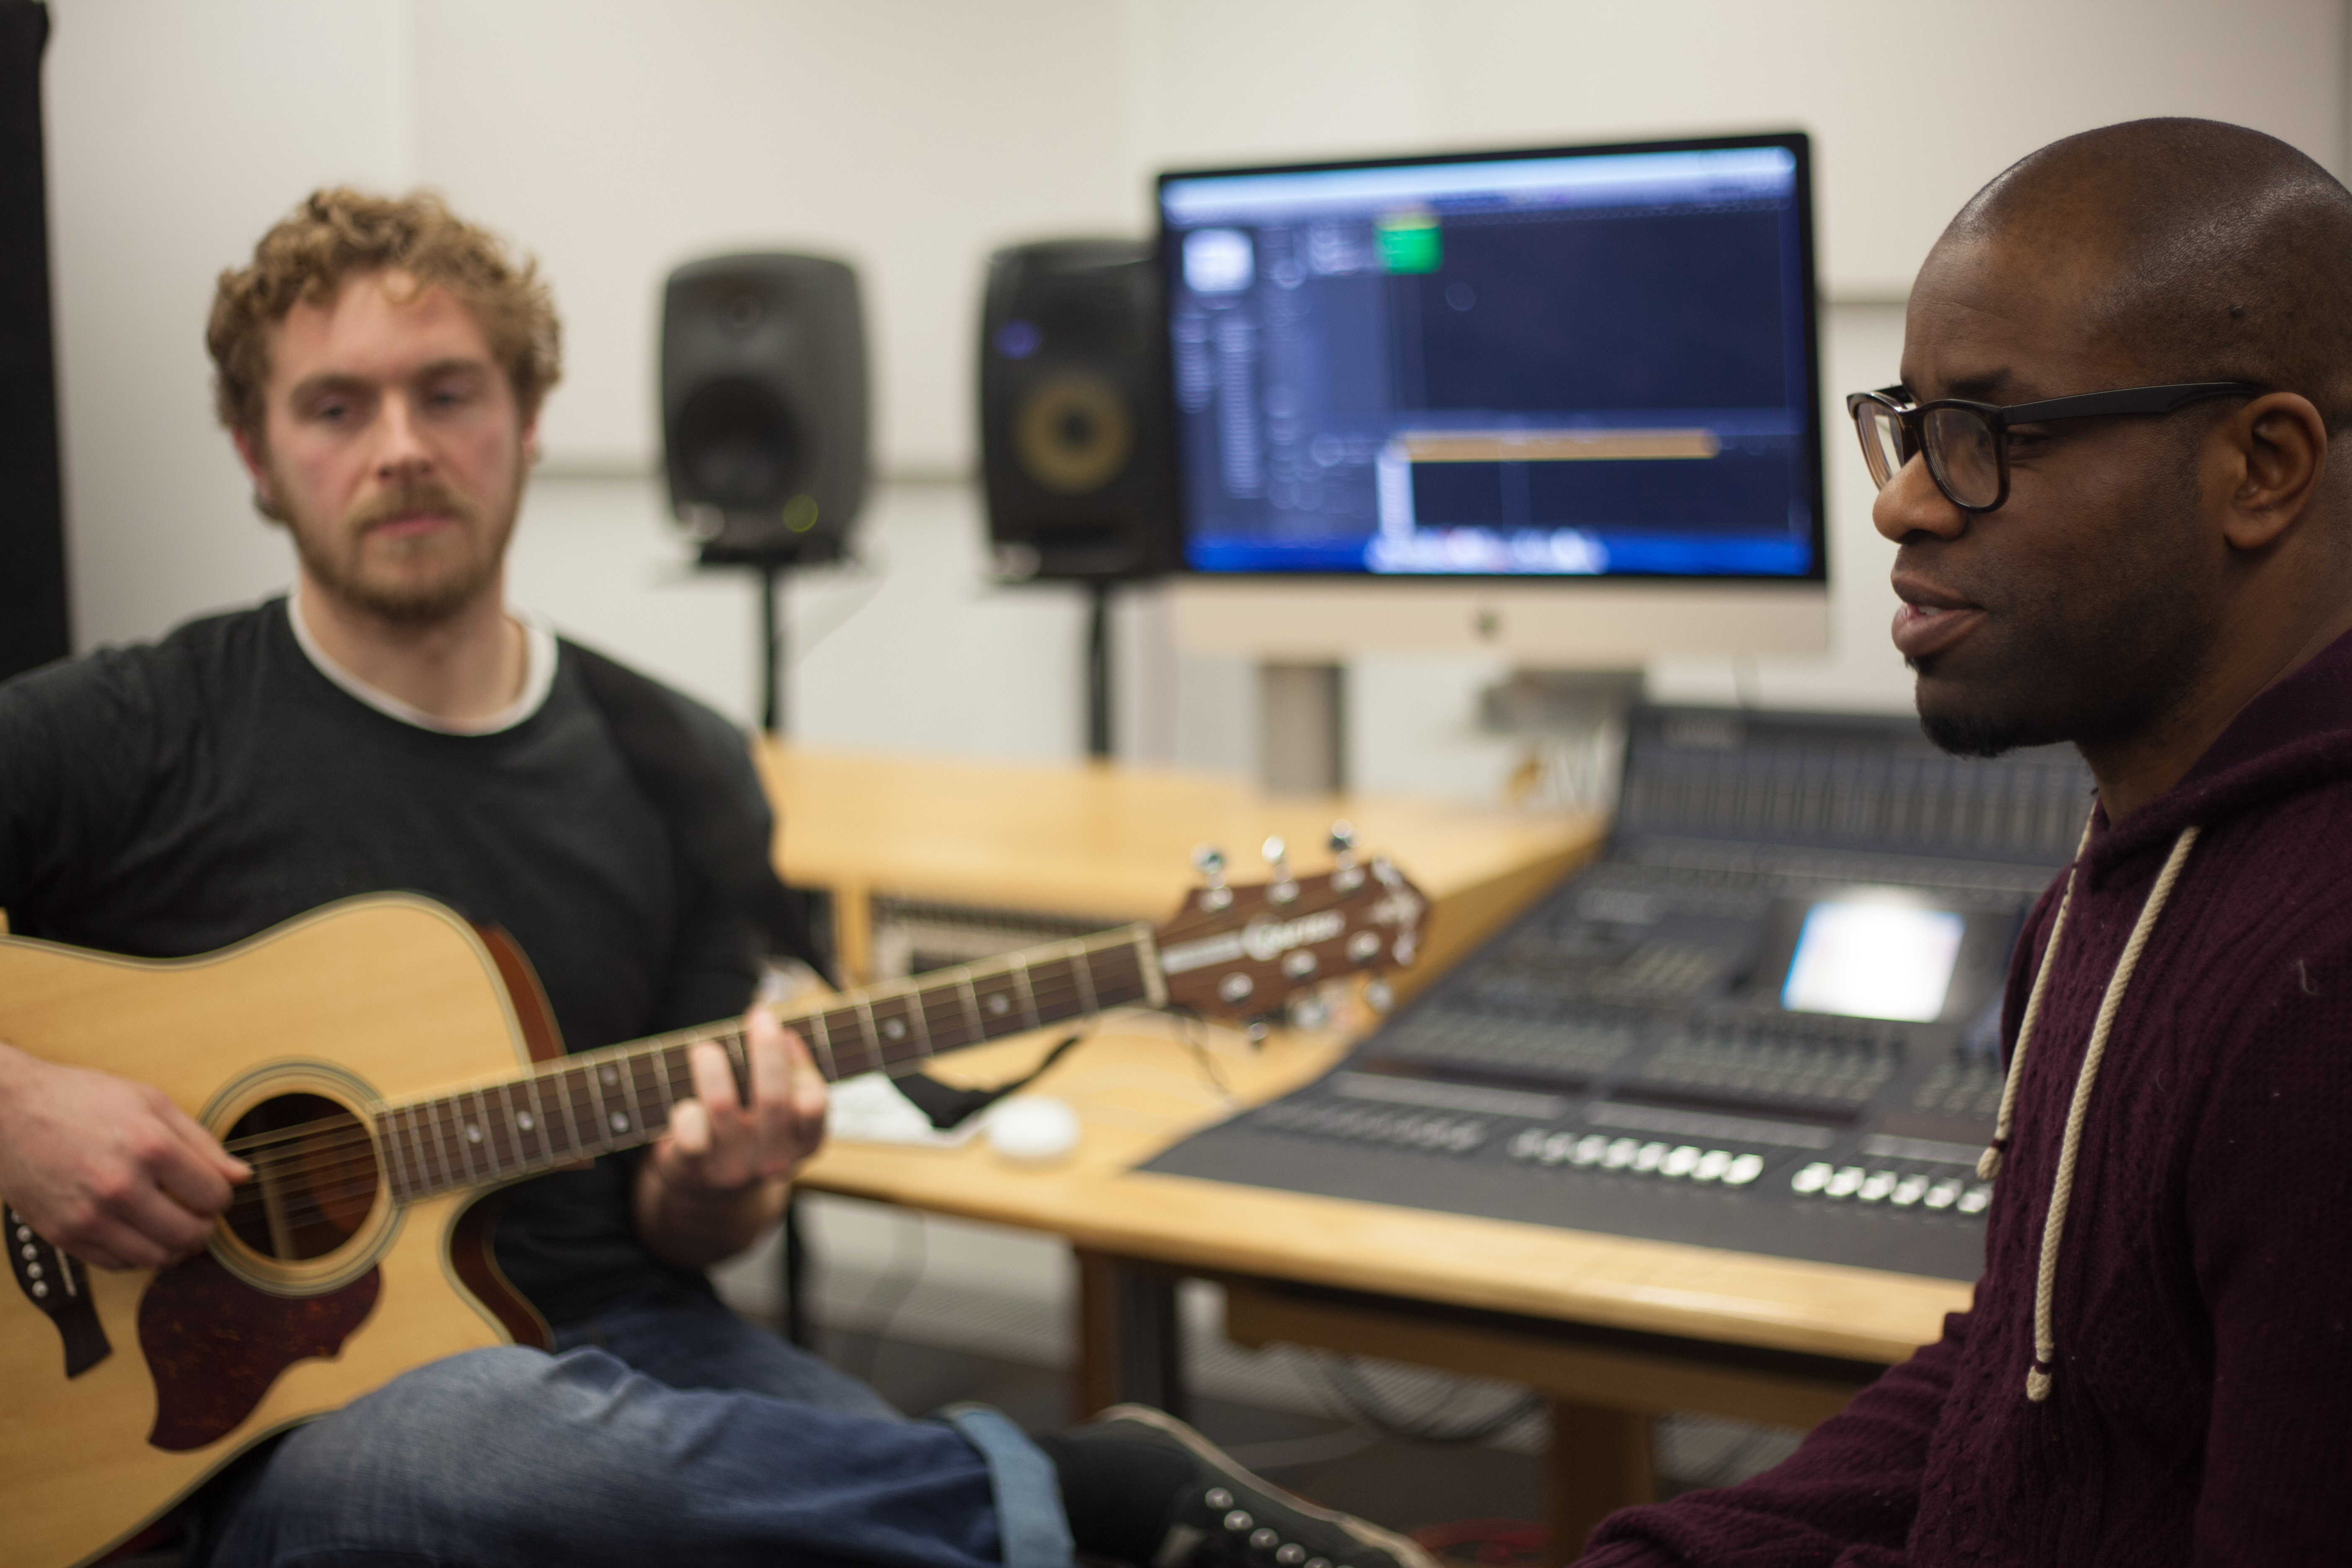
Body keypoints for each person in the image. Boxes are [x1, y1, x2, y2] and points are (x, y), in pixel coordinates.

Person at [0, 188, 1433, 1568]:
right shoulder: (137, 731)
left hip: (629, 1336)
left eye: (447, 393)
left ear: (529, 421)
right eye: (335, 407)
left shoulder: (676, 762)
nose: (402, 448)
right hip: (287, 1423)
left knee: (828, 1487)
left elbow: (677, 1228)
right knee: (440, 1455)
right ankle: (1101, 1484)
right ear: (256, 454)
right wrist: (22, 1107)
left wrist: (724, 1187)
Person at [1577, 117, 2352, 1565]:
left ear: (2261, 467)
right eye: (1913, 424)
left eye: (1996, 435)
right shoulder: (2112, 887)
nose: (1904, 499)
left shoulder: (2323, 988)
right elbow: (2033, 1371)